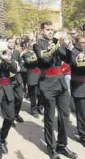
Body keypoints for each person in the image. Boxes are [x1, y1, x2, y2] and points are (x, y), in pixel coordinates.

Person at [33, 21, 77, 159]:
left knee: (65, 117)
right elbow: (44, 59)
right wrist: (54, 46)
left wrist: (69, 47)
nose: (51, 32)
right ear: (42, 30)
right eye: (48, 29)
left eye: (52, 30)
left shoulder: (57, 43)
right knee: (50, 118)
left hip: (61, 83)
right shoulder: (38, 44)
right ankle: (51, 149)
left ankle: (62, 145)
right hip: (47, 84)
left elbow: (69, 59)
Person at [21, 40, 42, 118]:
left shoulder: (39, 52)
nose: (33, 46)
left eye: (34, 45)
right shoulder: (26, 54)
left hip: (40, 75)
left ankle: (40, 107)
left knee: (40, 93)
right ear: (28, 45)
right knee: (33, 95)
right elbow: (29, 62)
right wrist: (37, 57)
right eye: (31, 45)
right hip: (31, 75)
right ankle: (34, 110)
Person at [7, 38, 25, 127]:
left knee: (20, 98)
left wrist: (19, 67)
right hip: (8, 79)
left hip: (17, 78)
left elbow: (22, 61)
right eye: (9, 42)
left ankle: (16, 114)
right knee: (11, 100)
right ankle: (11, 118)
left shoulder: (17, 52)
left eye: (12, 42)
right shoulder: (4, 52)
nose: (11, 44)